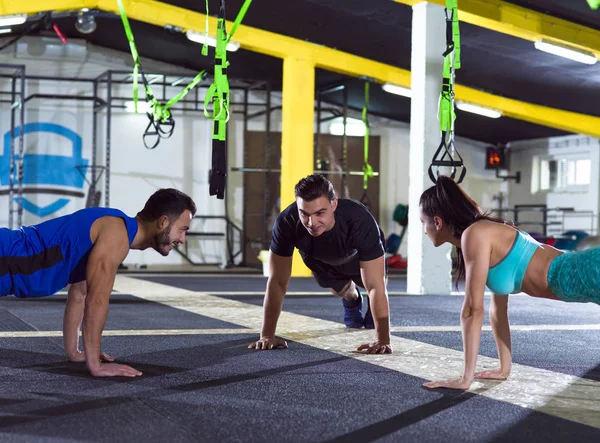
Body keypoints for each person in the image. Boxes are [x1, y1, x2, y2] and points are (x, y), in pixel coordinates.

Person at [419, 175, 599, 390]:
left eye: (423, 222)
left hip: (582, 271)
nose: (423, 229)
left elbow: (471, 310)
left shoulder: (474, 234)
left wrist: (465, 379)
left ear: (437, 222)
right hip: (579, 275)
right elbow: (498, 311)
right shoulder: (482, 234)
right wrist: (504, 369)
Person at [0, 188, 196, 377]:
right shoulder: (116, 234)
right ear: (163, 222)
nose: (182, 239)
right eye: (182, 230)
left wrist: (75, 352)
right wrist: (96, 366)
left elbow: (80, 293)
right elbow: (97, 301)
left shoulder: (111, 225)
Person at [248, 174, 392, 354]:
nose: (312, 222)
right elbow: (277, 281)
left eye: (319, 213)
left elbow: (375, 285)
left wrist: (383, 340)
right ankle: (352, 299)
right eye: (304, 214)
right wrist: (267, 335)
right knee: (342, 291)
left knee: (377, 283)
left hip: (357, 255)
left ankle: (372, 310)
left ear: (334, 204)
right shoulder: (287, 223)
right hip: (319, 257)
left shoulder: (359, 220)